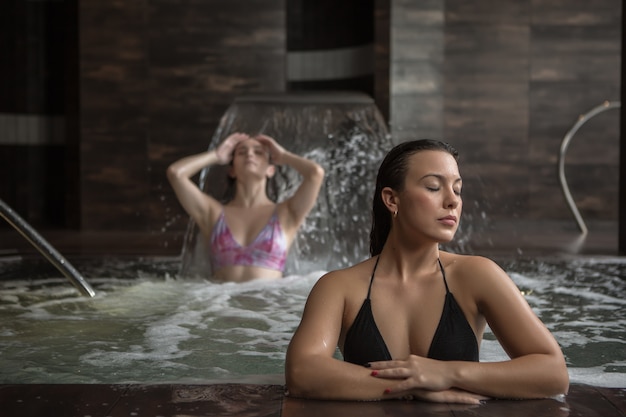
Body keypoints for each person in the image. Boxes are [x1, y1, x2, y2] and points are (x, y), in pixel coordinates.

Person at [285, 139, 569, 403]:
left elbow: (553, 373)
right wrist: (413, 385)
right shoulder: (340, 287)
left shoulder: (476, 275)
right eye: (434, 187)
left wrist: (447, 374)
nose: (452, 201)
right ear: (391, 200)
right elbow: (301, 372)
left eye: (457, 189)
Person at [167, 132, 324, 282]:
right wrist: (216, 155)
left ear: (271, 170)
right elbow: (176, 173)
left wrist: (283, 156)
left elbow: (315, 174)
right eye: (242, 152)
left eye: (258, 152)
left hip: (271, 305)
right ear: (232, 170)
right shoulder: (212, 213)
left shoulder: (287, 213)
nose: (250, 155)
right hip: (220, 303)